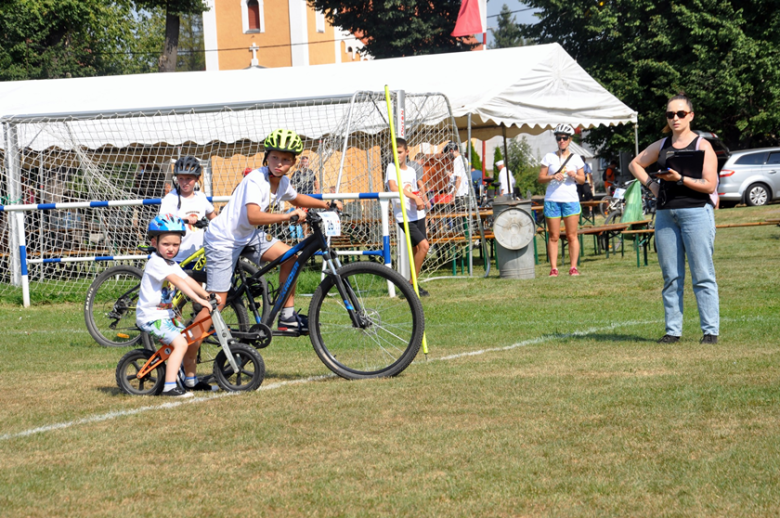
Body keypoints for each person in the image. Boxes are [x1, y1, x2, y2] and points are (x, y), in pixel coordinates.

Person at [195, 129, 342, 334]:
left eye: (285, 159)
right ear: (266, 157)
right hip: (223, 239)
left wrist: (327, 205)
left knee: (291, 258)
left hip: (247, 235)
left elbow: (297, 198)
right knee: (217, 302)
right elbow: (253, 216)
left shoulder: (282, 182)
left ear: (293, 163)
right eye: (274, 157)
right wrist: (287, 216)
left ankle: (287, 317)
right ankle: (185, 347)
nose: (279, 163)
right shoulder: (257, 180)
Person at [628, 92, 719, 344]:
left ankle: (710, 331)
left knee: (702, 274)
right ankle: (673, 331)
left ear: (690, 115)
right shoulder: (662, 144)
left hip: (696, 213)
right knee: (671, 276)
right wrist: (653, 186)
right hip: (666, 214)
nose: (675, 118)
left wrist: (679, 179)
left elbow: (710, 185)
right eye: (670, 114)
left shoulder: (702, 145)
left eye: (680, 113)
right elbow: (635, 164)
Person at [136, 214, 218, 397]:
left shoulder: (171, 263)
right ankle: (170, 386)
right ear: (154, 242)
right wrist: (199, 300)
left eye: (175, 244)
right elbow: (177, 281)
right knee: (180, 343)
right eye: (166, 244)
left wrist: (207, 294)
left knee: (189, 339)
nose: (171, 249)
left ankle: (190, 380)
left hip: (165, 316)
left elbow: (186, 279)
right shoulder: (156, 262)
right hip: (151, 317)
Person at [538, 123, 586, 277]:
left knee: (572, 235)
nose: (562, 140)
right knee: (553, 236)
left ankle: (573, 267)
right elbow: (540, 178)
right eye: (559, 138)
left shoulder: (576, 158)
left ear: (570, 139)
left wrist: (574, 175)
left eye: (565, 138)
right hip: (552, 200)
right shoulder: (549, 157)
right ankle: (553, 268)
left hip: (570, 200)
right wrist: (552, 176)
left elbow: (582, 180)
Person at [386, 137, 430, 297]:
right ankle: (410, 285)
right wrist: (414, 197)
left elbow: (413, 189)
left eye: (400, 152)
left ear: (406, 152)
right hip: (403, 215)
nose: (397, 155)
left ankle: (413, 284)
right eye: (394, 152)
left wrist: (420, 200)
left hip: (417, 214)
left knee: (418, 249)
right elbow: (393, 187)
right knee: (425, 246)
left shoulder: (411, 171)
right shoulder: (391, 168)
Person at [159, 156, 217, 262]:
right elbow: (162, 222)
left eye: (188, 179)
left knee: (199, 279)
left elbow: (214, 217)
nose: (184, 182)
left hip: (197, 254)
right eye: (181, 178)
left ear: (197, 178)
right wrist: (182, 219)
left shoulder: (201, 197)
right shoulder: (171, 198)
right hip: (178, 255)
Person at [444, 141, 469, 210]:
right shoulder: (465, 159)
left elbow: (459, 178)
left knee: (457, 218)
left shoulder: (457, 160)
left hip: (459, 194)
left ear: (451, 151)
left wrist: (453, 196)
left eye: (448, 153)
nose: (448, 155)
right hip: (465, 192)